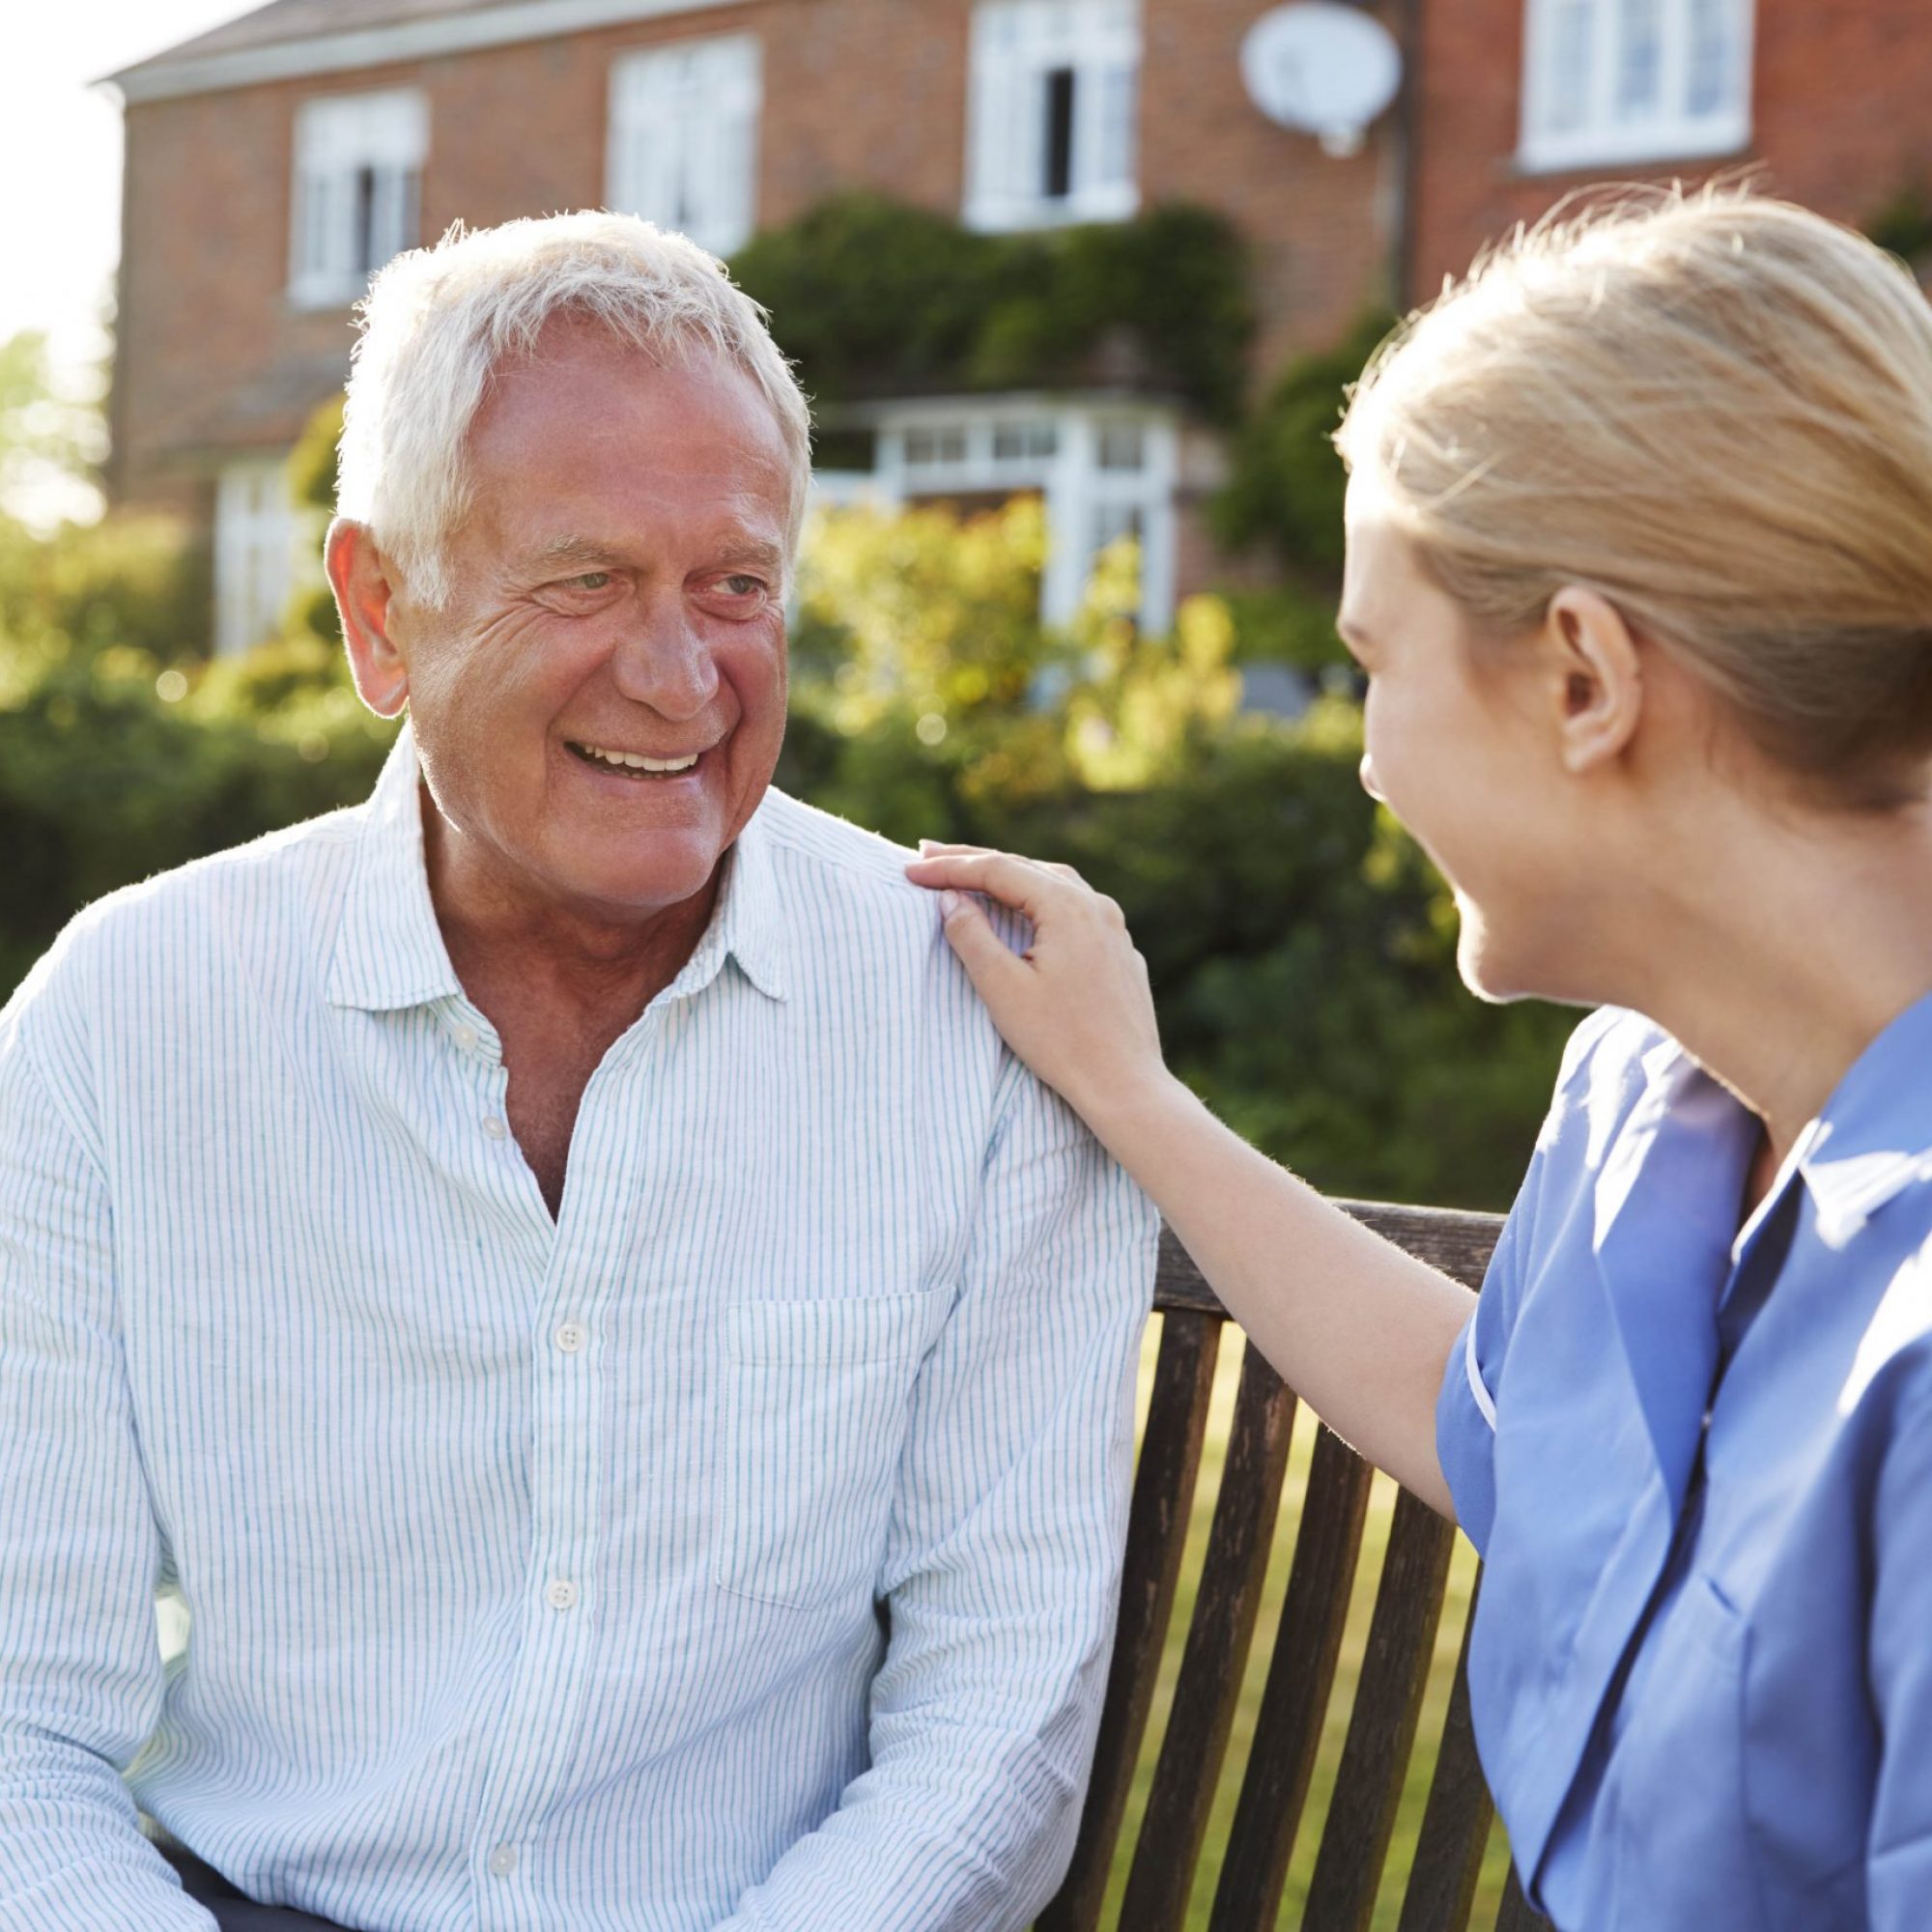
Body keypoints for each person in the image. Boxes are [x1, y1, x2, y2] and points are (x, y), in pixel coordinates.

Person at [0, 213, 1156, 1932]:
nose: (681, 674)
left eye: (735, 585)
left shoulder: (975, 1021)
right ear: (380, 613)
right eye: (585, 580)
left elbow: (1000, 1720)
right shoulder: (125, 1017)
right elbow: (24, 1722)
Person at [907, 186, 1932, 1931]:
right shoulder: (1646, 1096)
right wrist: (1133, 1098)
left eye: (1378, 661)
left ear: (1587, 676)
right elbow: (1508, 1433)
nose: (1369, 762)